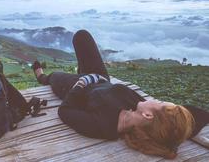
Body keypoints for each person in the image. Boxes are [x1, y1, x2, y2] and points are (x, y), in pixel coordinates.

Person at [32, 30, 209, 159]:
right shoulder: (139, 108)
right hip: (101, 77)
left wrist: (83, 82)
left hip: (73, 86)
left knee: (53, 76)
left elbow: (65, 111)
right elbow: (193, 116)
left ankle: (41, 77)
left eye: (160, 102)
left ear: (148, 115)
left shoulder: (102, 126)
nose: (155, 99)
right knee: (81, 36)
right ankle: (82, 70)